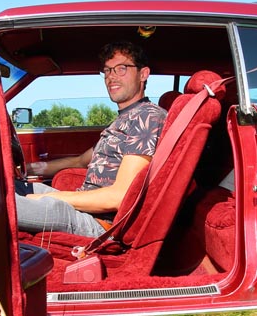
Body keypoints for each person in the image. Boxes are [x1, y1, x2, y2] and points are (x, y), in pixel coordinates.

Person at [15, 41, 167, 236]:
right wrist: (28, 169)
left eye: (121, 69)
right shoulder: (123, 119)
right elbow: (79, 161)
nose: (112, 77)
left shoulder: (147, 117)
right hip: (84, 206)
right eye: (107, 70)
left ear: (143, 74)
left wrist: (54, 198)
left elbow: (119, 197)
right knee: (9, 188)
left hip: (100, 224)